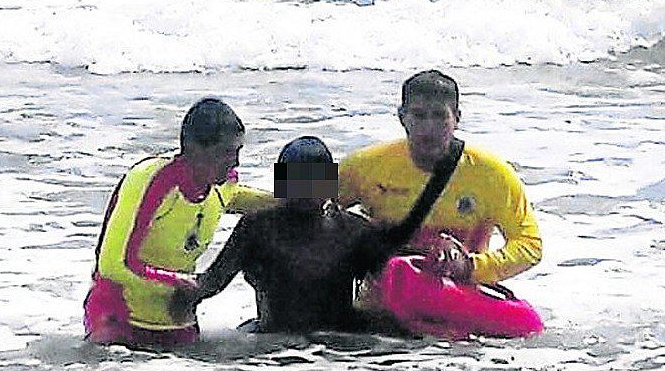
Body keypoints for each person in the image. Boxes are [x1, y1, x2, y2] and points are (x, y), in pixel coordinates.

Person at [172, 136, 445, 334]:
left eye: (314, 180)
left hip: (340, 354)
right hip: (273, 351)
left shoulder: (352, 231)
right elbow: (211, 283)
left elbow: (400, 274)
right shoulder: (256, 228)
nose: (305, 189)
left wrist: (442, 258)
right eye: (296, 180)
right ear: (281, 185)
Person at [338, 70, 542, 327]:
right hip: (380, 317)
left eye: (439, 116)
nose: (428, 128)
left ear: (456, 118)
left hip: (453, 309)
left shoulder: (493, 174)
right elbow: (289, 200)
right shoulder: (364, 165)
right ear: (402, 118)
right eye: (419, 116)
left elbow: (530, 245)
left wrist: (470, 266)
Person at [83, 97, 272, 348]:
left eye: (238, 152)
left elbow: (263, 199)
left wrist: (319, 186)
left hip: (176, 321)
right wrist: (178, 283)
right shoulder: (150, 178)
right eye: (226, 152)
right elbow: (111, 265)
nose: (235, 162)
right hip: (118, 319)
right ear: (195, 150)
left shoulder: (223, 186)